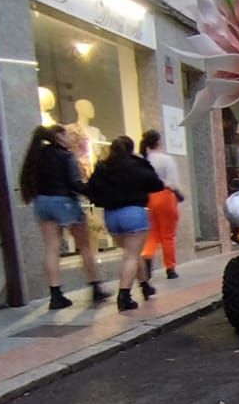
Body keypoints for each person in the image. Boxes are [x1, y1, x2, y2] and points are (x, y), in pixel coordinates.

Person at [16, 124, 107, 310]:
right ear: (58, 137)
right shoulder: (66, 156)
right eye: (66, 134)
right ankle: (95, 286)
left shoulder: (36, 156)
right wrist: (92, 188)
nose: (70, 138)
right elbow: (75, 184)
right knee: (84, 246)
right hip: (65, 202)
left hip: (42, 203)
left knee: (52, 248)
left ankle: (56, 295)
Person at [86, 135, 164, 312]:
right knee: (131, 256)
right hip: (133, 213)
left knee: (133, 253)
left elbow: (91, 188)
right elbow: (156, 185)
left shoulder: (102, 167)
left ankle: (145, 285)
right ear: (130, 148)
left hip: (111, 215)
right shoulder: (137, 164)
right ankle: (124, 295)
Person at [139, 129, 184, 280]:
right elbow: (173, 182)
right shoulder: (165, 159)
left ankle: (147, 257)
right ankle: (170, 268)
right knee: (168, 235)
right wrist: (178, 193)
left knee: (152, 234)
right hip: (165, 196)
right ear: (158, 141)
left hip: (149, 198)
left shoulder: (143, 160)